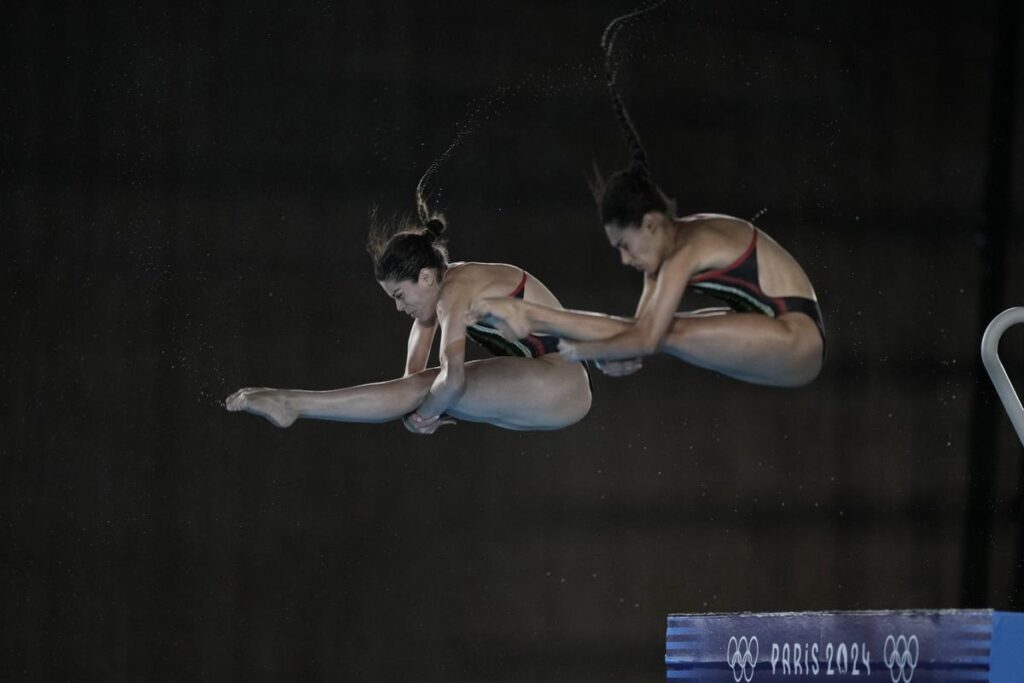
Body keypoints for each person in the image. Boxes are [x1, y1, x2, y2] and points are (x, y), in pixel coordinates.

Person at [468, 13, 824, 388]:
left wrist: (582, 351)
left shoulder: (691, 246)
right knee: (658, 329)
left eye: (625, 245)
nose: (624, 259)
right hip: (771, 340)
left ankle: (533, 316)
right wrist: (616, 352)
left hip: (798, 339)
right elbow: (637, 336)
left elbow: (650, 339)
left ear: (652, 223)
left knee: (669, 331)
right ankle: (532, 315)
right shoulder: (662, 260)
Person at [225, 213, 592, 433]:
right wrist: (419, 410)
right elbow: (406, 385)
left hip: (560, 383)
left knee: (434, 389)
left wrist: (424, 415)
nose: (400, 309)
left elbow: (453, 379)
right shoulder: (437, 300)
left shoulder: (455, 292)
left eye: (401, 296)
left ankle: (293, 403)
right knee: (423, 389)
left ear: (427, 278)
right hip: (550, 392)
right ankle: (292, 403)